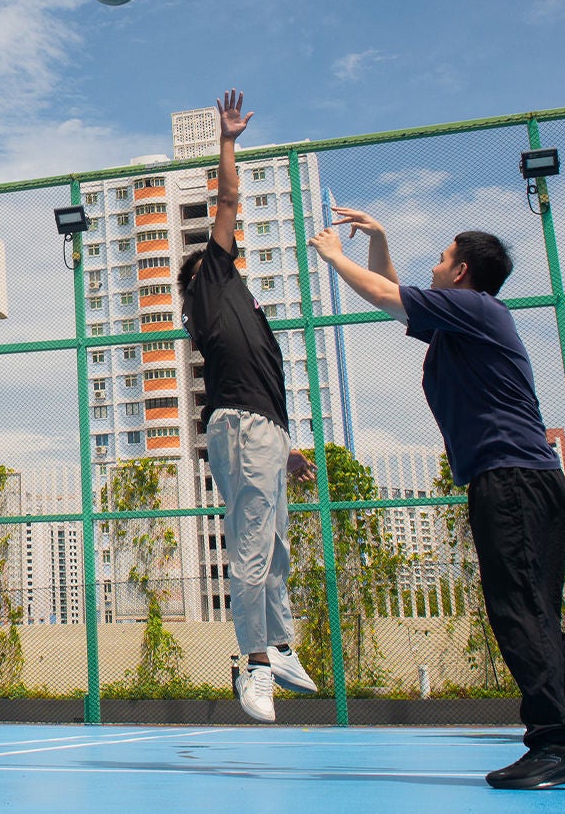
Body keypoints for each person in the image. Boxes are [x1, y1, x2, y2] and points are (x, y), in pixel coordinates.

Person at [307, 208, 565, 789]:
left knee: (518, 613)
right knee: (536, 611)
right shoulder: (465, 318)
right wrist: (379, 237)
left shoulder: (476, 309)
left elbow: (385, 295)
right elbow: (396, 294)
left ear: (460, 273)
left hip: (510, 482)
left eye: (442, 257)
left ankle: (556, 742)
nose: (433, 266)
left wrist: (335, 256)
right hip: (529, 480)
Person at [176, 89, 317, 724]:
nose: (237, 252)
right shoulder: (211, 282)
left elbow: (259, 383)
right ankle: (254, 666)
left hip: (264, 430)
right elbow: (227, 201)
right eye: (228, 251)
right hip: (239, 428)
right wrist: (228, 140)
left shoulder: (243, 306)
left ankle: (282, 648)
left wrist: (285, 448)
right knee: (254, 549)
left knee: (277, 549)